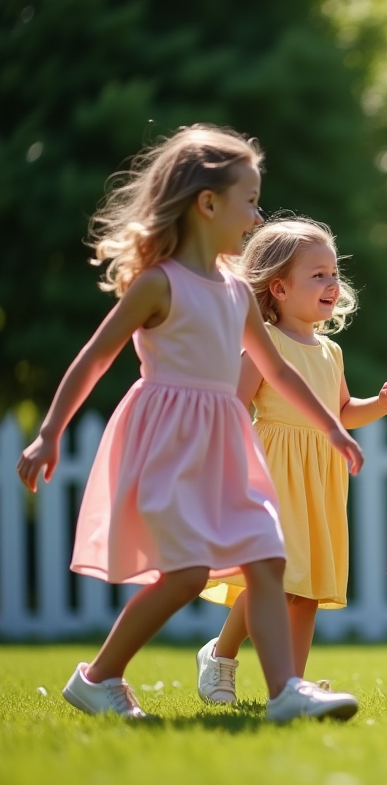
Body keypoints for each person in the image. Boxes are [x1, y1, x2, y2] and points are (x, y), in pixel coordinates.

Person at [16, 126, 363, 721]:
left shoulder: (237, 292)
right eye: (249, 201)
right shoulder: (159, 284)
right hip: (170, 442)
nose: (256, 217)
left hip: (227, 441)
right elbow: (95, 358)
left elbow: (276, 372)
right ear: (208, 204)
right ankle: (97, 677)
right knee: (185, 575)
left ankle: (285, 691)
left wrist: (331, 427)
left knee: (266, 556)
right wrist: (49, 431)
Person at [197, 217, 387, 703]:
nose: (332, 283)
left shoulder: (331, 351)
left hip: (319, 475)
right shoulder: (264, 343)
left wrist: (380, 404)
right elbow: (235, 403)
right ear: (278, 286)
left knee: (307, 587)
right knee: (271, 577)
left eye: (334, 273)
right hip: (272, 471)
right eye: (317, 275)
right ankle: (222, 655)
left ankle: (290, 686)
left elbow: (340, 413)